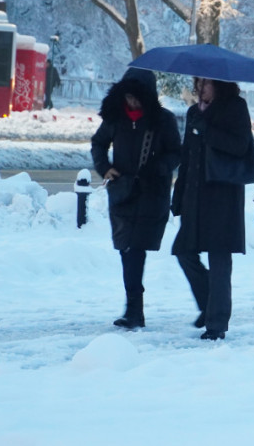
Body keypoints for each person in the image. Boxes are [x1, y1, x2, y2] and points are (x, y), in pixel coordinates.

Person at [91, 68, 181, 329]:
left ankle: (134, 310)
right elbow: (98, 143)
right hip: (122, 192)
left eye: (136, 98)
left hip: (151, 193)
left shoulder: (163, 120)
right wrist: (104, 168)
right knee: (126, 249)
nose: (132, 102)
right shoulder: (115, 117)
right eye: (128, 97)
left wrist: (158, 167)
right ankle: (134, 309)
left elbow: (176, 153)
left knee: (135, 249)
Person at [171, 77, 254, 341]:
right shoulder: (193, 112)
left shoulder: (235, 107)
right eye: (198, 83)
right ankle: (210, 302)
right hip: (195, 196)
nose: (200, 88)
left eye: (206, 83)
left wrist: (207, 130)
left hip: (222, 197)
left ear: (220, 84)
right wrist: (178, 195)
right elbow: (187, 156)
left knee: (219, 260)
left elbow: (240, 146)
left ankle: (217, 323)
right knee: (183, 252)